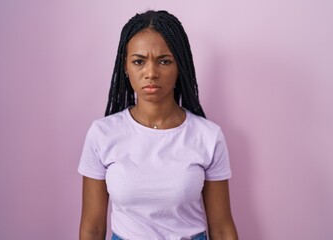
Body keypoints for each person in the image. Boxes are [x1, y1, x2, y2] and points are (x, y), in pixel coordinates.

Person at [78, 10, 238, 240]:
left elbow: (222, 228)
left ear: (179, 66)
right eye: (138, 61)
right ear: (125, 67)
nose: (151, 73)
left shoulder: (208, 136)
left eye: (164, 61)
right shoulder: (102, 134)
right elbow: (92, 228)